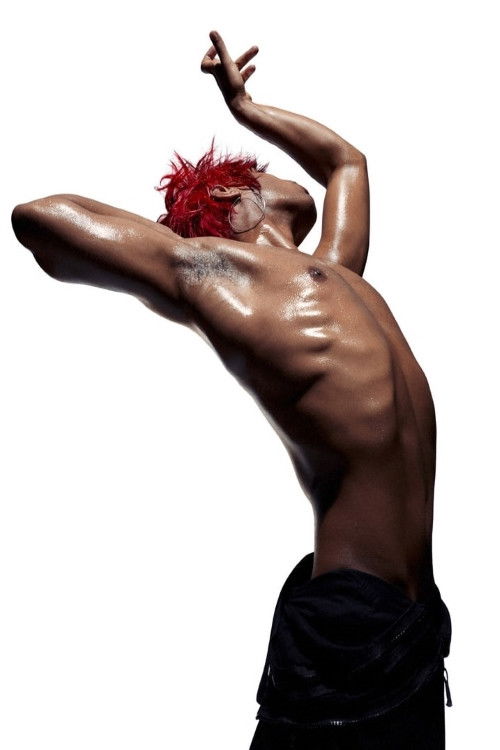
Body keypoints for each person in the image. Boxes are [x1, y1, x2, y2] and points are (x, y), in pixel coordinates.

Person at [11, 30, 451, 750]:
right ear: (229, 194)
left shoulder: (334, 273)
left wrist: (245, 109)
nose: (285, 179)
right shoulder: (219, 281)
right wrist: (175, 251)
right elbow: (39, 218)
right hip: (350, 623)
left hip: (414, 628)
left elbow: (347, 162)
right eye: (260, 172)